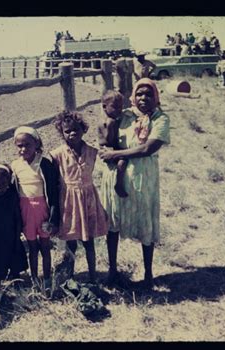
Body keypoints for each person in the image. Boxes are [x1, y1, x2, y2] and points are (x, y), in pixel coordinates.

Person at [98, 78, 170, 289]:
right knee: (113, 223)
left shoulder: (161, 119)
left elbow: (148, 148)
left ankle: (148, 274)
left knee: (145, 223)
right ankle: (112, 271)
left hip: (143, 178)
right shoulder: (125, 116)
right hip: (116, 176)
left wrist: (115, 153)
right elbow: (106, 125)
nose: (143, 98)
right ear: (133, 96)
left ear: (155, 97)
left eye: (148, 94)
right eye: (139, 94)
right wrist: (105, 147)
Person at [50, 111, 108, 284]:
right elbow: (54, 182)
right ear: (62, 133)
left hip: (88, 200)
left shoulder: (92, 152)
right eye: (67, 131)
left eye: (76, 129)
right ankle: (70, 275)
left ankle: (92, 275)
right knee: (71, 241)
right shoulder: (57, 155)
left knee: (89, 241)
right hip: (68, 202)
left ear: (83, 129)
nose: (72, 133)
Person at [11, 126, 60, 291]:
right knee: (32, 247)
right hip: (25, 210)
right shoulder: (15, 166)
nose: (23, 149)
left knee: (45, 245)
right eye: (19, 145)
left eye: (27, 145)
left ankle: (46, 278)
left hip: (42, 209)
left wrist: (53, 217)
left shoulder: (43, 163)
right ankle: (34, 279)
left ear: (36, 144)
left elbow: (52, 191)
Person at [0, 164, 28, 286]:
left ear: (8, 181)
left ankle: (17, 281)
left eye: (3, 183)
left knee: (14, 260)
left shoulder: (12, 196)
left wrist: (18, 235)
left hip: (10, 235)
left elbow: (17, 217)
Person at [98, 90, 128, 198]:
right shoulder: (105, 122)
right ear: (104, 107)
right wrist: (111, 127)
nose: (119, 110)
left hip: (113, 148)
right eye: (115, 107)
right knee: (123, 161)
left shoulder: (115, 119)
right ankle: (118, 184)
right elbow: (109, 140)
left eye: (120, 107)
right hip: (107, 148)